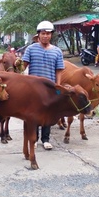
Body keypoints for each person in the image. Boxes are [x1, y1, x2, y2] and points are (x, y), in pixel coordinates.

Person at [22, 20, 64, 150]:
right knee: (33, 114)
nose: (45, 36)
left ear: (51, 35)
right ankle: (33, 138)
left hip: (49, 88)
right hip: (33, 89)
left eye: (48, 33)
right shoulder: (30, 49)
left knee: (47, 113)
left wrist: (58, 86)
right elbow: (23, 67)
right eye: (43, 33)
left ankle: (45, 139)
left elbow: (59, 70)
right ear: (38, 35)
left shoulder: (57, 51)